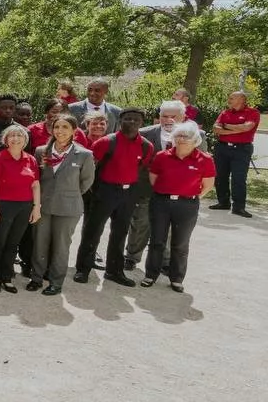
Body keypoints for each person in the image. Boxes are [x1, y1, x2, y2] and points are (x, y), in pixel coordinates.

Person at [74, 108, 154, 286]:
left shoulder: (146, 146)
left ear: (142, 123)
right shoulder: (106, 142)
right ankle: (83, 269)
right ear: (119, 121)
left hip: (128, 193)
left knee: (120, 232)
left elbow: (140, 168)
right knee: (93, 230)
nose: (132, 122)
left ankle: (114, 271)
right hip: (105, 191)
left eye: (136, 119)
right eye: (128, 119)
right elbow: (91, 168)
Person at [144, 124, 215, 293]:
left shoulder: (205, 159)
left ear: (195, 140)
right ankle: (150, 275)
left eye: (186, 136)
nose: (181, 139)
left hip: (187, 205)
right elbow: (153, 178)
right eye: (179, 135)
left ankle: (176, 278)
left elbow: (207, 185)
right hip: (161, 202)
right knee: (157, 240)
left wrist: (188, 196)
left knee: (181, 244)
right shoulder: (162, 156)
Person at [30, 115, 96, 295]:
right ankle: (36, 278)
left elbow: (86, 182)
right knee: (40, 242)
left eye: (65, 127)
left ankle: (56, 282)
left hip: (68, 207)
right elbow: (36, 178)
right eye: (57, 127)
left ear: (74, 131)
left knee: (61, 246)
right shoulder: (41, 151)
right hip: (43, 205)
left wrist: (68, 194)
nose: (60, 131)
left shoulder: (84, 154)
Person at [125, 100, 189, 269]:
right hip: (145, 189)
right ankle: (131, 257)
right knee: (140, 224)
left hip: (176, 192)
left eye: (173, 116)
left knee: (169, 228)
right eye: (164, 116)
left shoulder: (194, 135)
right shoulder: (143, 133)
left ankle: (165, 262)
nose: (168, 120)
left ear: (183, 117)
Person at [0, 125, 41, 293]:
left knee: (13, 243)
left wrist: (36, 208)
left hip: (24, 206)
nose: (16, 138)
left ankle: (7, 276)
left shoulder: (31, 159)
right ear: (6, 140)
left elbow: (35, 185)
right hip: (3, 205)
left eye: (19, 135)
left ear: (25, 140)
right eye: (12, 135)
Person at [210, 90, 259, 218]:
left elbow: (247, 127)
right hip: (222, 148)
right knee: (220, 176)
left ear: (242, 99)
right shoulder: (225, 112)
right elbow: (216, 129)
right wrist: (237, 129)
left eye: (232, 98)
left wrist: (226, 126)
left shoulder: (252, 112)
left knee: (239, 178)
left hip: (242, 149)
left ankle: (238, 207)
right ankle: (223, 202)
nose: (229, 100)